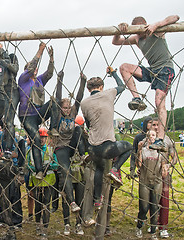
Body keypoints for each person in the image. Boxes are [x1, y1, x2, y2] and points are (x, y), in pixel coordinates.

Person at [112, 15, 180, 152]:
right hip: (152, 71)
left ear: (145, 25)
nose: (139, 34)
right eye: (135, 32)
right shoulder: (137, 39)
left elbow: (175, 17)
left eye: (140, 30)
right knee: (124, 67)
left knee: (159, 102)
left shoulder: (156, 31)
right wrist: (119, 30)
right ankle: (137, 98)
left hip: (165, 70)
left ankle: (160, 139)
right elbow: (116, 42)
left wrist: (157, 24)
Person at [80, 67, 132, 225]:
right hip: (107, 145)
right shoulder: (108, 93)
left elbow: (88, 124)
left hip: (92, 147)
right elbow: (122, 86)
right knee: (129, 146)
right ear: (101, 87)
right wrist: (113, 73)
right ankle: (116, 168)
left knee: (99, 168)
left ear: (89, 89)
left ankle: (97, 200)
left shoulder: (84, 102)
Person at [18, 42, 56, 180]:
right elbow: (32, 65)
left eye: (35, 68)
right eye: (31, 68)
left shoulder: (39, 80)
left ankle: (53, 128)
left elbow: (50, 73)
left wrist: (51, 59)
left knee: (53, 103)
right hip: (27, 116)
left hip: (39, 113)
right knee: (35, 140)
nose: (35, 69)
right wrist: (40, 50)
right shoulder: (23, 79)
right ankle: (39, 171)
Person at [52, 70, 86, 214]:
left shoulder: (73, 112)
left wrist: (83, 82)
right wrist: (59, 79)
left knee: (78, 130)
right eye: (64, 107)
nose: (66, 110)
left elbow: (79, 98)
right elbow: (58, 96)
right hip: (60, 148)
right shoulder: (58, 114)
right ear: (61, 108)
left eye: (68, 107)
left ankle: (84, 155)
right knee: (65, 171)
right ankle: (72, 202)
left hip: (72, 145)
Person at [27, 127, 58, 239]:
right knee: (38, 205)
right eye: (39, 137)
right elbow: (29, 165)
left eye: (43, 137)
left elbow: (56, 164)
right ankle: (37, 225)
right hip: (36, 182)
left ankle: (45, 227)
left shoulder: (50, 150)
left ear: (46, 138)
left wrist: (48, 166)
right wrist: (36, 169)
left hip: (48, 182)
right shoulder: (31, 151)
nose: (41, 139)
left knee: (46, 205)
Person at [135, 130, 167, 240]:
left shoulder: (161, 152)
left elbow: (164, 167)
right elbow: (138, 164)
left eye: (153, 135)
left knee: (154, 207)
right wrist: (139, 150)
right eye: (149, 135)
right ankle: (139, 227)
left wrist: (164, 169)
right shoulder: (143, 151)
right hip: (144, 181)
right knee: (143, 207)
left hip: (157, 182)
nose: (151, 137)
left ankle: (153, 232)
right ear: (147, 138)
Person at [2, 52, 20, 158]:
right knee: (3, 121)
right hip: (2, 92)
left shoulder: (11, 57)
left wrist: (4, 61)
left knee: (9, 121)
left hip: (12, 91)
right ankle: (5, 139)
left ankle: (9, 148)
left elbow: (15, 69)